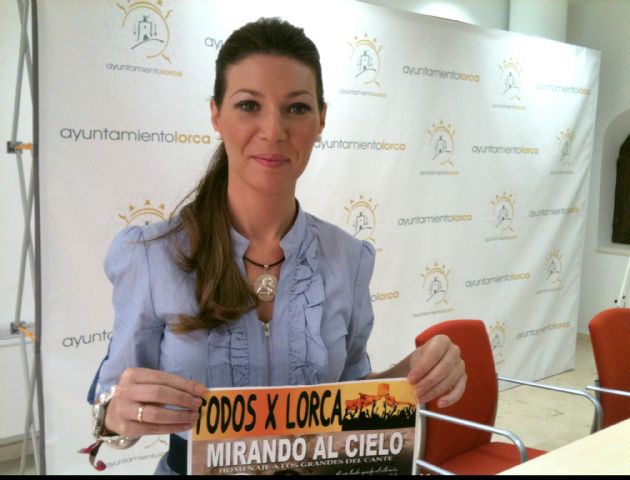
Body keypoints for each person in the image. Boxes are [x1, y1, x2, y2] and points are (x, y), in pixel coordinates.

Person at [85, 17, 467, 475]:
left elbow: (349, 398)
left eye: (297, 108)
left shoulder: (347, 258)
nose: (273, 130)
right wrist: (116, 413)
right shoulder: (152, 255)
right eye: (249, 105)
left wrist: (413, 374)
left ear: (321, 119)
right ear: (216, 115)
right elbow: (110, 403)